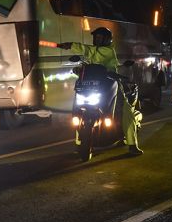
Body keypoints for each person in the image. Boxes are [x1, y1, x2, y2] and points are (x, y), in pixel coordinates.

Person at [59, 27, 143, 155]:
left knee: (127, 112)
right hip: (93, 86)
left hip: (111, 85)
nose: (96, 39)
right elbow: (88, 62)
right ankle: (79, 143)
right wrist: (80, 70)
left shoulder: (108, 51)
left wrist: (71, 45)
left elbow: (89, 51)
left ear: (107, 39)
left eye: (99, 37)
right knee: (78, 110)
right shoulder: (93, 53)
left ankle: (132, 145)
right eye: (95, 37)